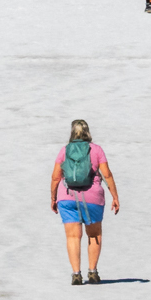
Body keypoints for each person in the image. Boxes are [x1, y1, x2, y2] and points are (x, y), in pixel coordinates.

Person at [52, 120, 119, 285]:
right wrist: (115, 196)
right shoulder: (96, 150)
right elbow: (107, 175)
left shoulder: (64, 151)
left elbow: (55, 177)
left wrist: (53, 197)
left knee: (73, 236)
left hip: (67, 198)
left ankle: (76, 274)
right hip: (92, 198)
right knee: (94, 234)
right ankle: (93, 272)